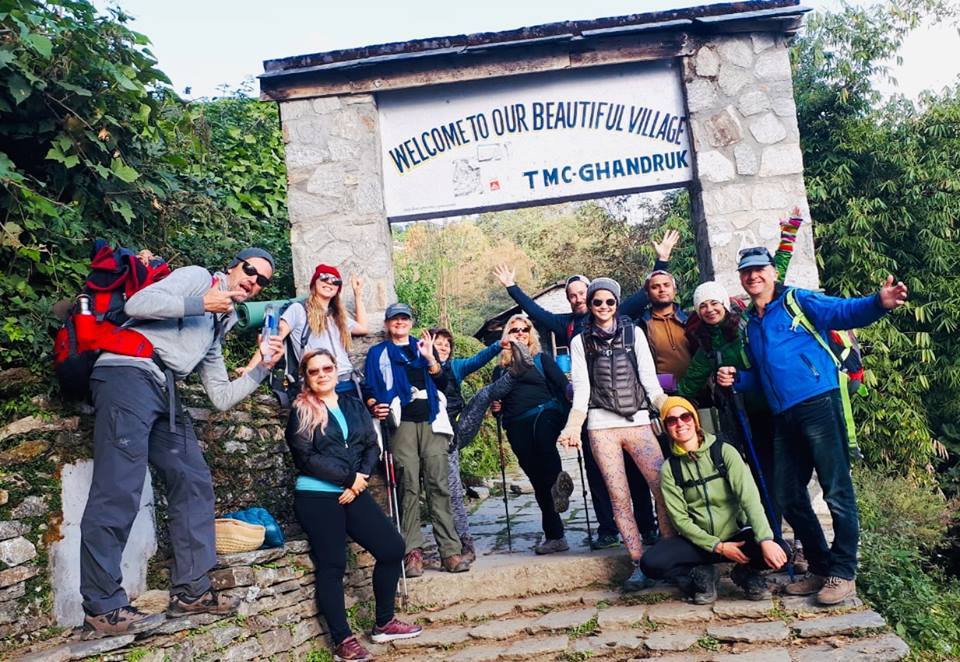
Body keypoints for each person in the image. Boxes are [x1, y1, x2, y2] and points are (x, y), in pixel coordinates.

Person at [79, 248, 284, 637]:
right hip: (126, 375)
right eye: (249, 270)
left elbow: (220, 397)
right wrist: (199, 301)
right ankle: (102, 607)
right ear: (232, 266)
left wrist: (261, 368)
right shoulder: (198, 278)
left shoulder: (215, 327)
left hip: (164, 392)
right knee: (118, 489)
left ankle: (192, 591)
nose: (253, 280)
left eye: (262, 280)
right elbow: (140, 303)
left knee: (193, 478)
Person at [718, 246, 908, 605]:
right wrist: (737, 379)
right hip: (784, 416)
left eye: (759, 270)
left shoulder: (797, 301)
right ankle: (820, 567)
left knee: (837, 490)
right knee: (787, 493)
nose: (752, 276)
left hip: (819, 403)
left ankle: (844, 572)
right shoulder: (752, 324)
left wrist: (878, 302)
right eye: (746, 272)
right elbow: (764, 375)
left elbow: (842, 311)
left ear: (772, 272)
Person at [491, 229, 679, 550]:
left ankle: (648, 526)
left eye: (584, 294)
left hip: (631, 410)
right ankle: (608, 528)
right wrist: (512, 287)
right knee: (600, 475)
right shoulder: (567, 327)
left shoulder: (621, 320)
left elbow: (645, 292)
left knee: (638, 473)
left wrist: (661, 259)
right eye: (575, 296)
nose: (581, 300)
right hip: (593, 413)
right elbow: (534, 313)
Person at [287, 349, 422, 662]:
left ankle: (384, 622)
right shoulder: (301, 410)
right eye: (314, 371)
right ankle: (342, 640)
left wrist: (358, 478)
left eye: (326, 368)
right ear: (306, 378)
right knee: (333, 564)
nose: (321, 375)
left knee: (392, 548)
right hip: (317, 495)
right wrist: (348, 479)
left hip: (353, 489)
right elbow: (305, 457)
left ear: (336, 371)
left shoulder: (352, 404)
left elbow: (371, 445)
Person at [557, 278, 672, 591]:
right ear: (590, 305)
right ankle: (638, 563)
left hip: (638, 420)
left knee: (662, 488)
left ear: (616, 304)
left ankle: (670, 556)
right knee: (619, 497)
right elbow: (581, 389)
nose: (603, 307)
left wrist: (670, 407)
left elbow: (649, 381)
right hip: (601, 425)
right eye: (597, 302)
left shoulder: (634, 333)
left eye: (609, 302)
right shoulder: (581, 341)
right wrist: (572, 426)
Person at [640, 397, 788, 604]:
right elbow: (681, 520)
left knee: (782, 550)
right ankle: (701, 574)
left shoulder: (724, 452)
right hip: (701, 543)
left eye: (685, 416)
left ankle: (746, 572)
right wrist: (718, 546)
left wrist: (765, 540)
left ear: (695, 419)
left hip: (737, 534)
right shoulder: (669, 469)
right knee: (651, 563)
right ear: (666, 427)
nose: (680, 423)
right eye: (672, 420)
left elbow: (750, 498)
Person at [362, 303, 470, 577]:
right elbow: (370, 388)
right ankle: (413, 552)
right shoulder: (378, 353)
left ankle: (450, 551)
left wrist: (430, 358)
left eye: (404, 318)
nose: (399, 323)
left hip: (432, 421)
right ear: (387, 324)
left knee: (438, 484)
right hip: (401, 426)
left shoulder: (424, 347)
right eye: (394, 319)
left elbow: (444, 383)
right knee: (408, 485)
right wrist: (374, 403)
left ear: (411, 322)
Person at [490, 314, 572, 555]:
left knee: (545, 443)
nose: (520, 333)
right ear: (507, 336)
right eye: (514, 330)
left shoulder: (541, 359)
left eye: (524, 329)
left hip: (544, 412)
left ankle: (558, 478)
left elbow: (562, 387)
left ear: (530, 333)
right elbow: (498, 406)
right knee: (538, 482)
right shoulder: (500, 370)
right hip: (516, 423)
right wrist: (497, 409)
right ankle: (555, 536)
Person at [430, 328, 504, 563]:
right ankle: (449, 541)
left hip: (455, 431)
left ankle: (466, 542)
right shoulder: (420, 370)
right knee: (444, 491)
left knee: (484, 395)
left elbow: (478, 360)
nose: (443, 347)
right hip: (429, 437)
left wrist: (499, 345)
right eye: (438, 343)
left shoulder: (456, 367)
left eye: (447, 345)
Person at [241, 263, 368, 396]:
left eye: (336, 281)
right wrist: (250, 368)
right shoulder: (298, 310)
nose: (330, 282)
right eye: (324, 278)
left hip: (347, 382)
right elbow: (273, 340)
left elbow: (363, 328)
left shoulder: (337, 316)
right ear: (314, 283)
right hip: (317, 383)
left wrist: (358, 295)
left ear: (338, 289)